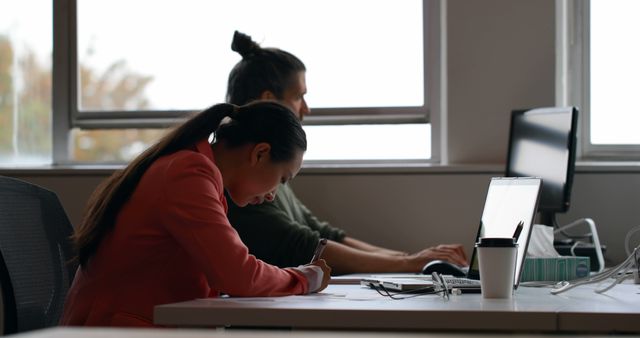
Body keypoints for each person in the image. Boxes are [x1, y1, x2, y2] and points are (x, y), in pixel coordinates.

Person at [61, 101, 331, 327]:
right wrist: (304, 278)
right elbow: (237, 274)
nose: (273, 195)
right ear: (260, 154)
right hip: (115, 331)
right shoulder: (188, 174)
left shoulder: (192, 169)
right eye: (282, 179)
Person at [225, 31, 468, 275]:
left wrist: (411, 258)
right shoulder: (247, 176)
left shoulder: (267, 165)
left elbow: (321, 234)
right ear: (269, 101)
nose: (306, 109)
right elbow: (301, 246)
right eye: (299, 97)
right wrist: (409, 263)